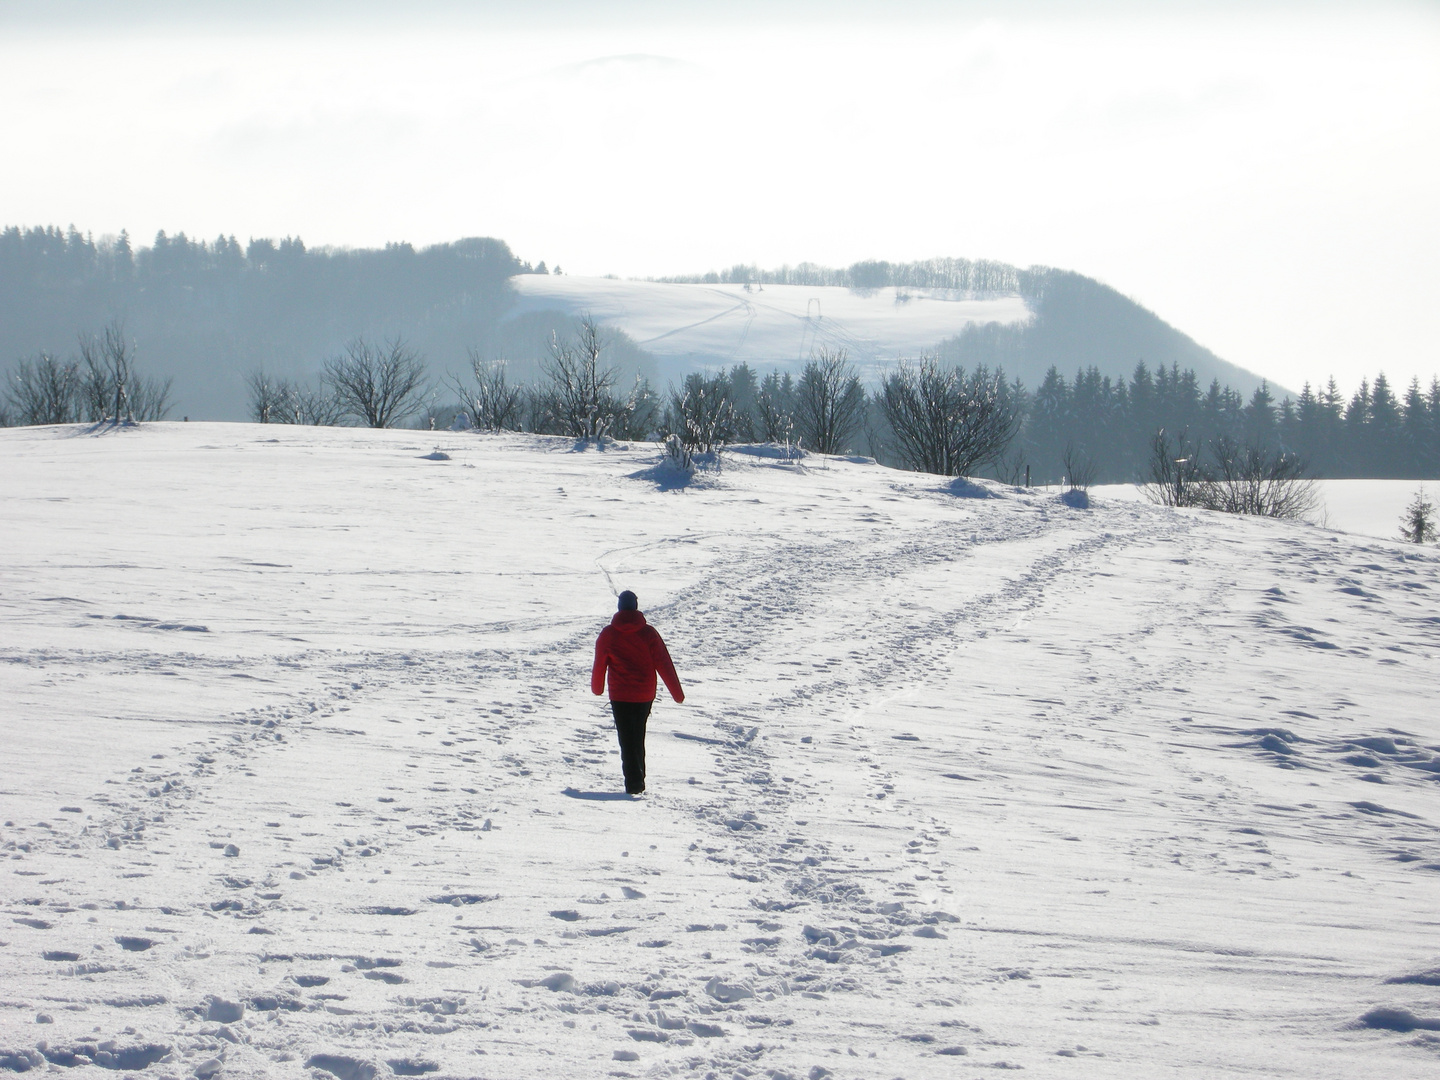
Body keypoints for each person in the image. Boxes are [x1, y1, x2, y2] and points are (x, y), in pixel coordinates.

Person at [591, 590, 684, 795]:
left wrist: (597, 688)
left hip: (620, 695)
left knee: (626, 739)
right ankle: (638, 781)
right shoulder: (648, 633)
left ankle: (633, 784)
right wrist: (677, 694)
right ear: (636, 606)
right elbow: (664, 663)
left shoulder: (608, 634)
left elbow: (600, 663)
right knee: (638, 735)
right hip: (644, 694)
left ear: (619, 607)